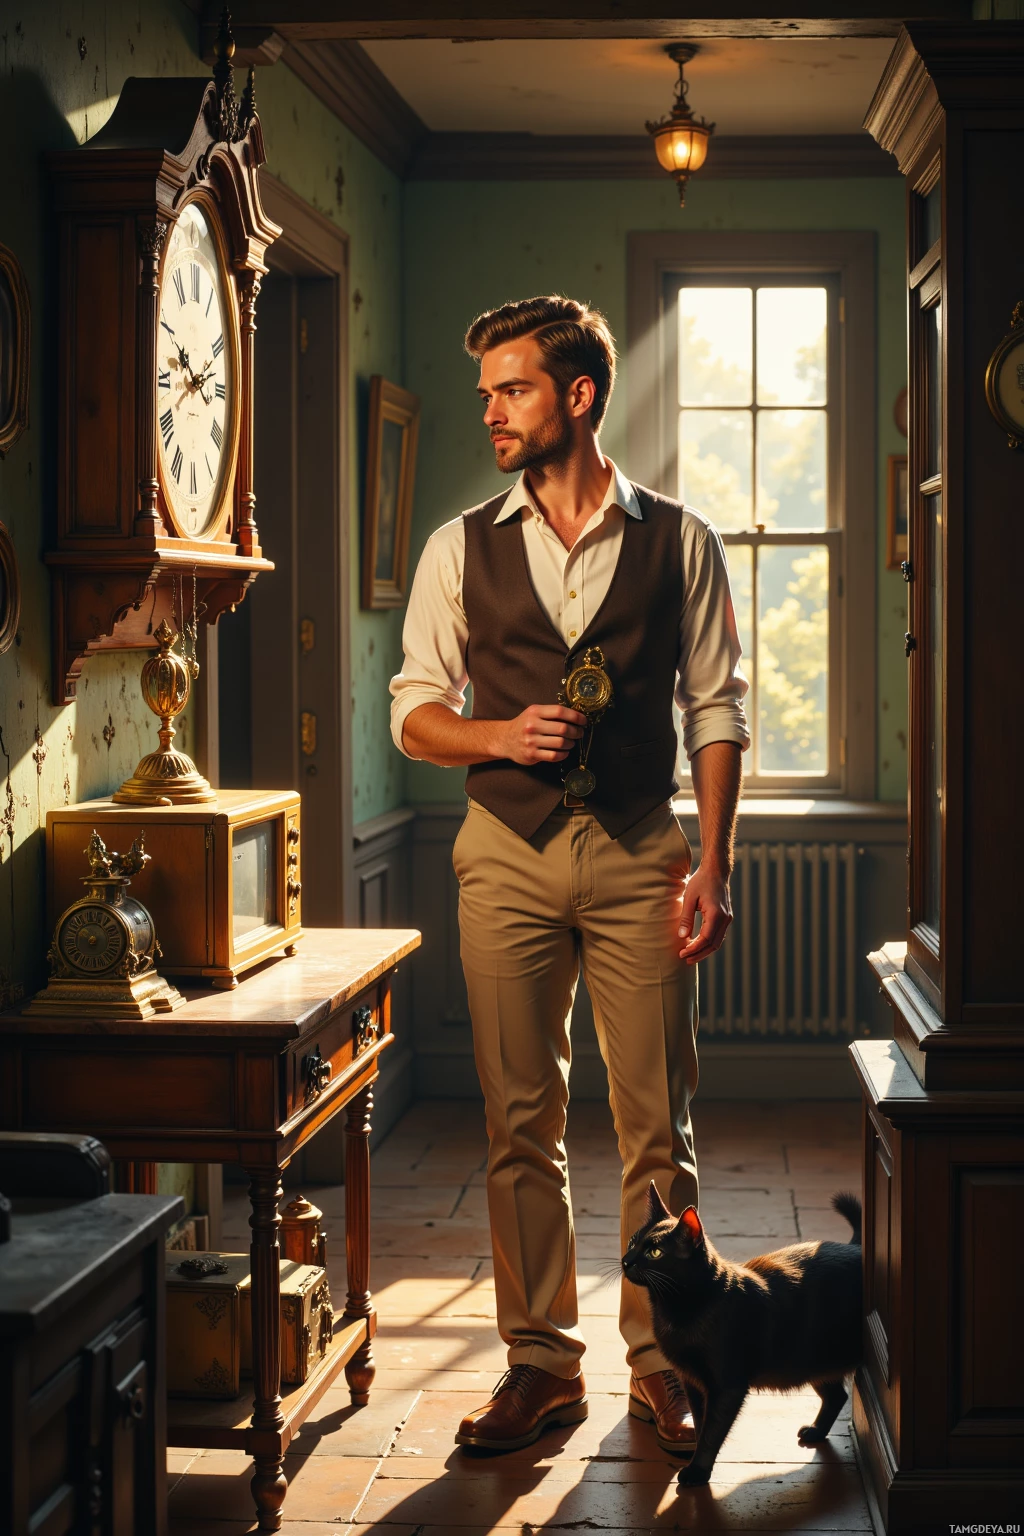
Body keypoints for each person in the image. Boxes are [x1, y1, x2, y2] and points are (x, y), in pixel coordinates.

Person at [389, 295, 748, 1456]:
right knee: (518, 1120)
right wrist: (494, 737)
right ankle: (540, 1364)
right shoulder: (459, 544)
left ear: (578, 395)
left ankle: (665, 1359)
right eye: (486, 392)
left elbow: (718, 709)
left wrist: (715, 862)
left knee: (658, 1125)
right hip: (503, 851)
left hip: (645, 847)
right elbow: (411, 716)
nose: (489, 412)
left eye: (513, 390)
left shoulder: (678, 537)